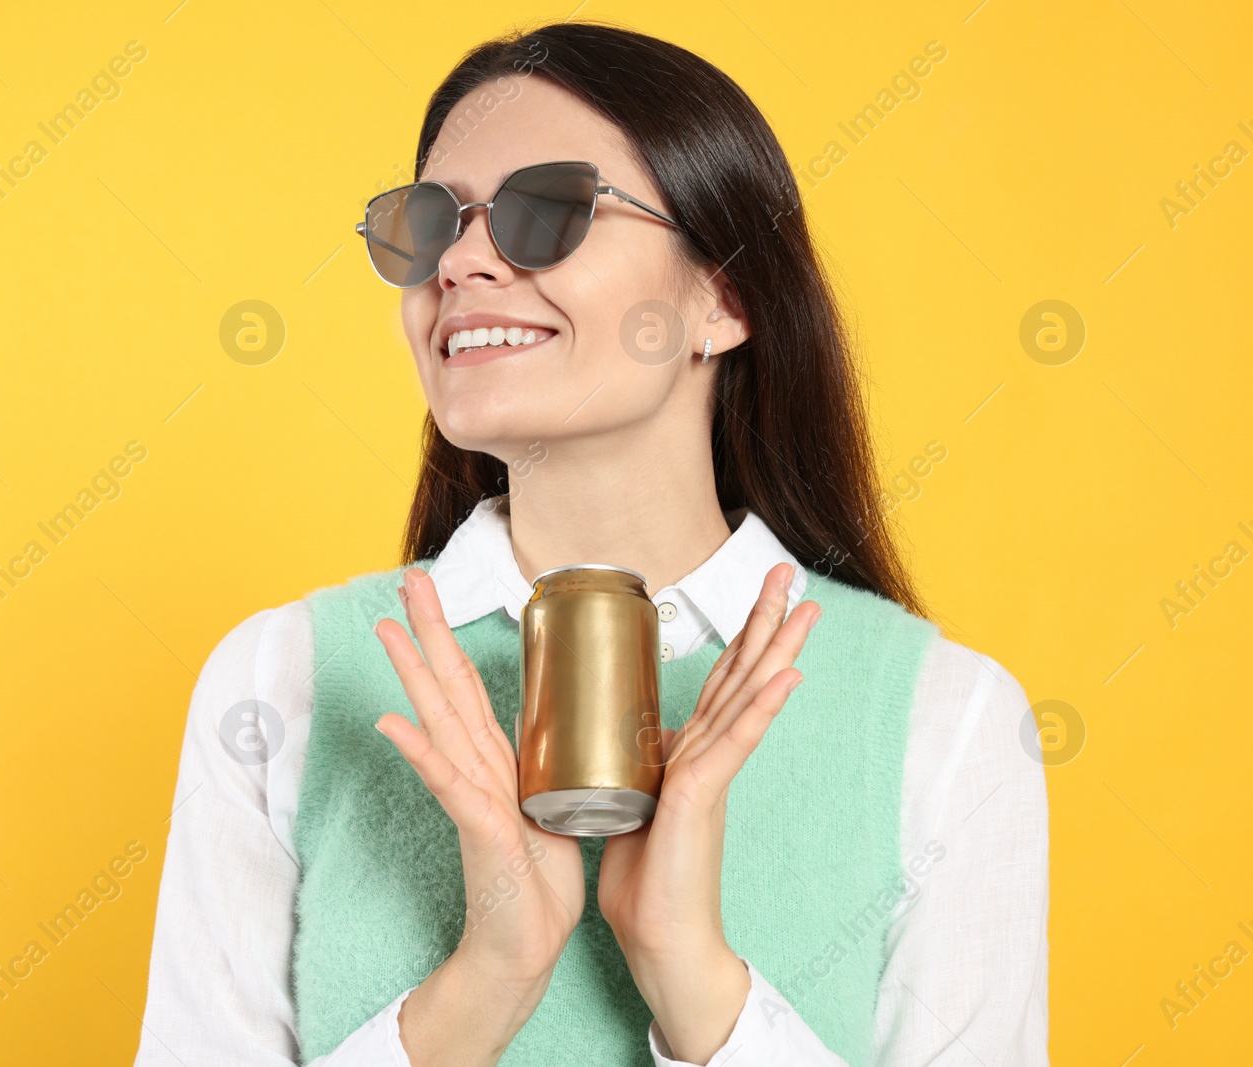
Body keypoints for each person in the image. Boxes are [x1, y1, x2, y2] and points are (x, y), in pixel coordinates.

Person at [134, 21, 1047, 1067]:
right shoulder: (281, 678)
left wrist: (697, 983)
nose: (462, 261)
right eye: (430, 224)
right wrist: (486, 982)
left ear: (725, 297)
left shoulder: (944, 716)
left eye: (548, 210)